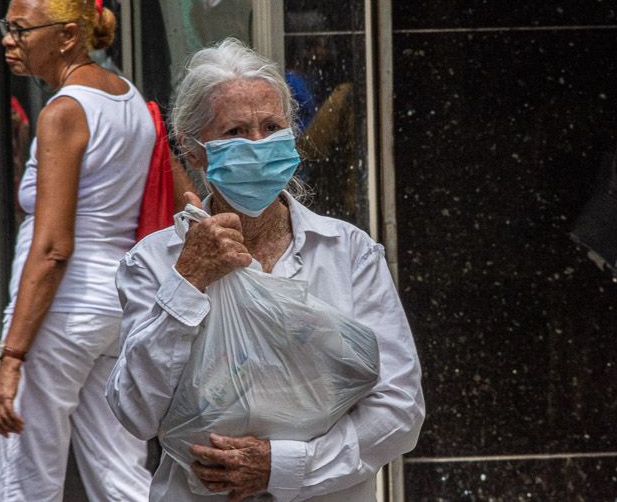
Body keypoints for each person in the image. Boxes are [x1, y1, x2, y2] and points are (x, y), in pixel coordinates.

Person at [107, 38, 425, 502]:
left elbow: (400, 407)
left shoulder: (348, 252)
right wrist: (188, 280)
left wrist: (284, 468)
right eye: (235, 132)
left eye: (272, 126)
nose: (258, 145)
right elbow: (135, 411)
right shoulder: (155, 262)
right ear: (194, 151)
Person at [0, 0, 151, 500]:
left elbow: (54, 245)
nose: (7, 41)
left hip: (61, 312)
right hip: (117, 306)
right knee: (120, 472)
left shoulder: (63, 112)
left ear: (68, 36)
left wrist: (13, 358)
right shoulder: (128, 97)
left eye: (21, 30)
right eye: (7, 27)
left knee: (23, 475)